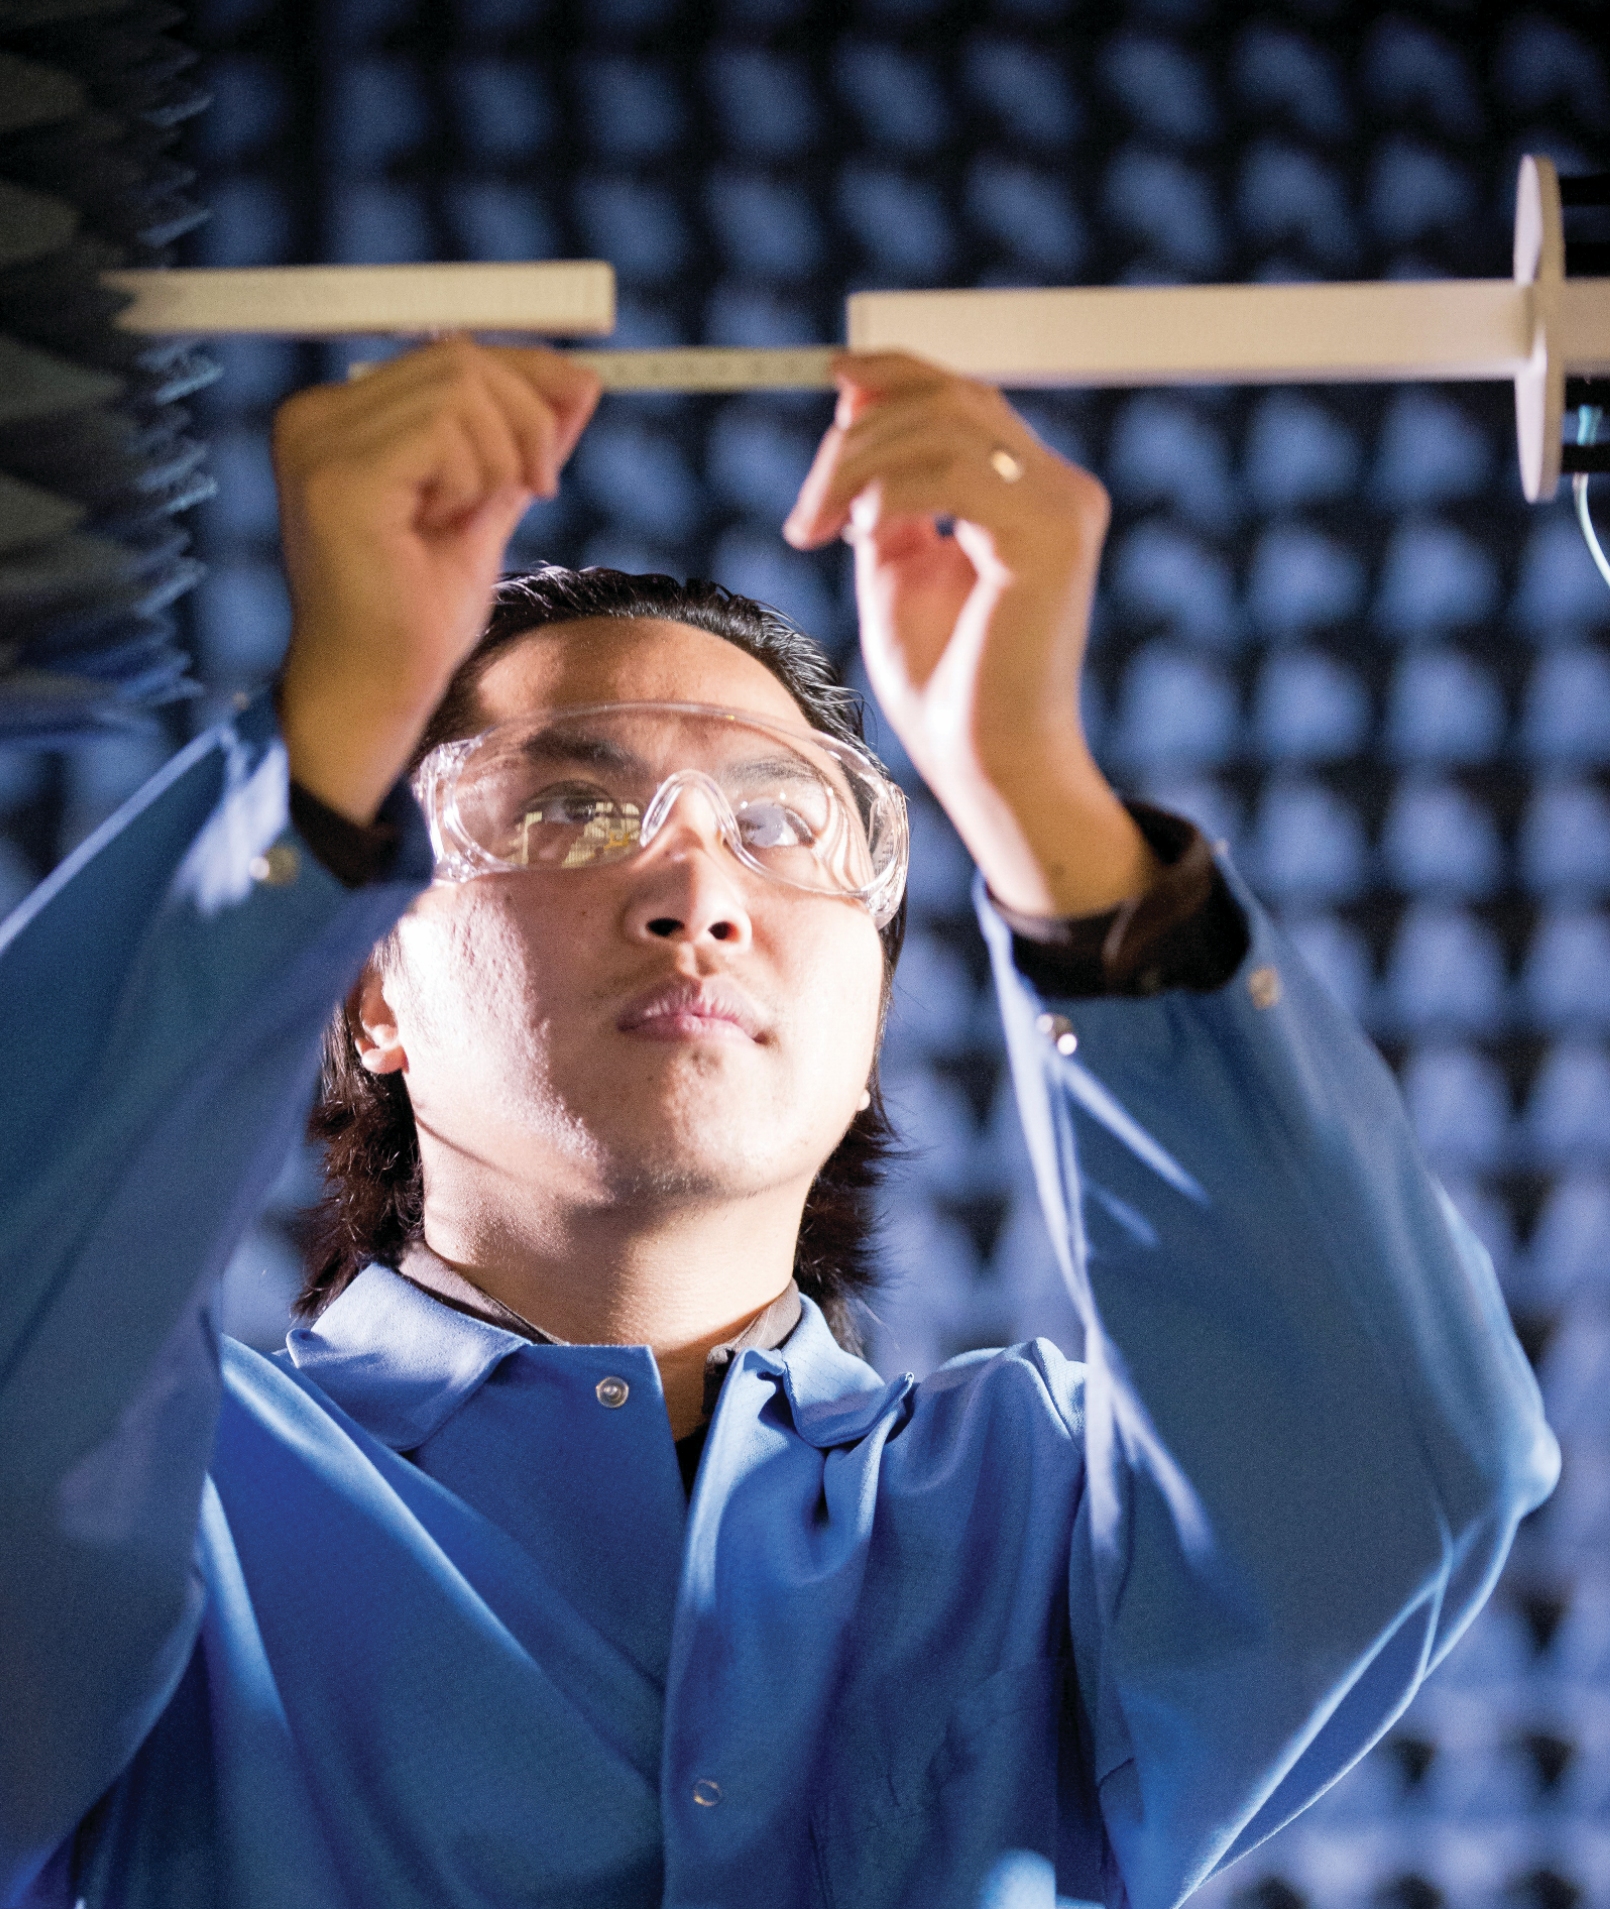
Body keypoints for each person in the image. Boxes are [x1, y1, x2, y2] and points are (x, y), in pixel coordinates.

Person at [0, 341, 1556, 1909]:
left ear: (866, 1030)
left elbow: (1409, 1476)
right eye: (566, 809)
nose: (698, 890)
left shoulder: (1039, 1515)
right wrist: (328, 737)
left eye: (777, 823)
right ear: (372, 995)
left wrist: (1043, 805)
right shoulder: (181, 1497)